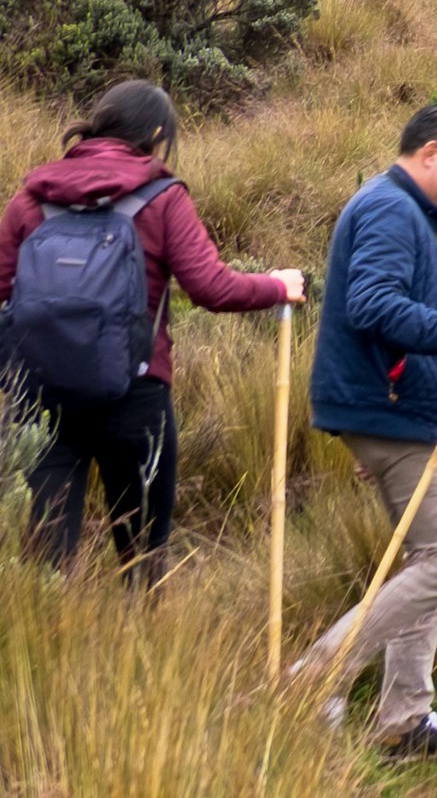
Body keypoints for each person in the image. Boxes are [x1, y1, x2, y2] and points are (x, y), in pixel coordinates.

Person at [0, 79, 302, 574]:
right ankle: (145, 646)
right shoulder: (162, 197)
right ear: (156, 133)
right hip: (134, 395)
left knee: (44, 566)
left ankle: (46, 642)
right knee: (141, 560)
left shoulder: (32, 198)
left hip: (41, 396)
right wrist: (276, 287)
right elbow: (211, 288)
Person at [294, 102, 437, 761]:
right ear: (428, 153)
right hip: (394, 416)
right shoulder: (391, 210)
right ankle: (314, 678)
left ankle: (403, 721)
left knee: (431, 559)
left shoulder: (400, 211)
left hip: (400, 415)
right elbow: (372, 305)